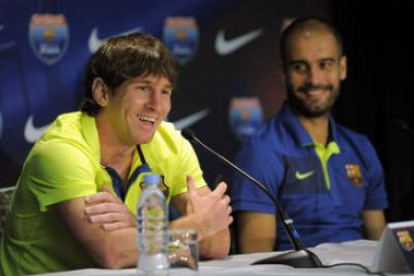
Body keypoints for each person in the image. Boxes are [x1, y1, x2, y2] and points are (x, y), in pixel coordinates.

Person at [0, 32, 232, 276]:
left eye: (165, 91)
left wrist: (138, 228)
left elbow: (217, 243)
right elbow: (112, 253)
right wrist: (193, 228)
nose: (156, 104)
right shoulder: (61, 150)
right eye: (143, 88)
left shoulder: (173, 143)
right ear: (102, 92)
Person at [230, 16, 388, 253]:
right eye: (300, 67)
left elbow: (380, 245)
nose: (314, 80)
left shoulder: (361, 147)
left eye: (325, 64)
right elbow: (256, 259)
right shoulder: (261, 151)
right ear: (283, 71)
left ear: (342, 68)